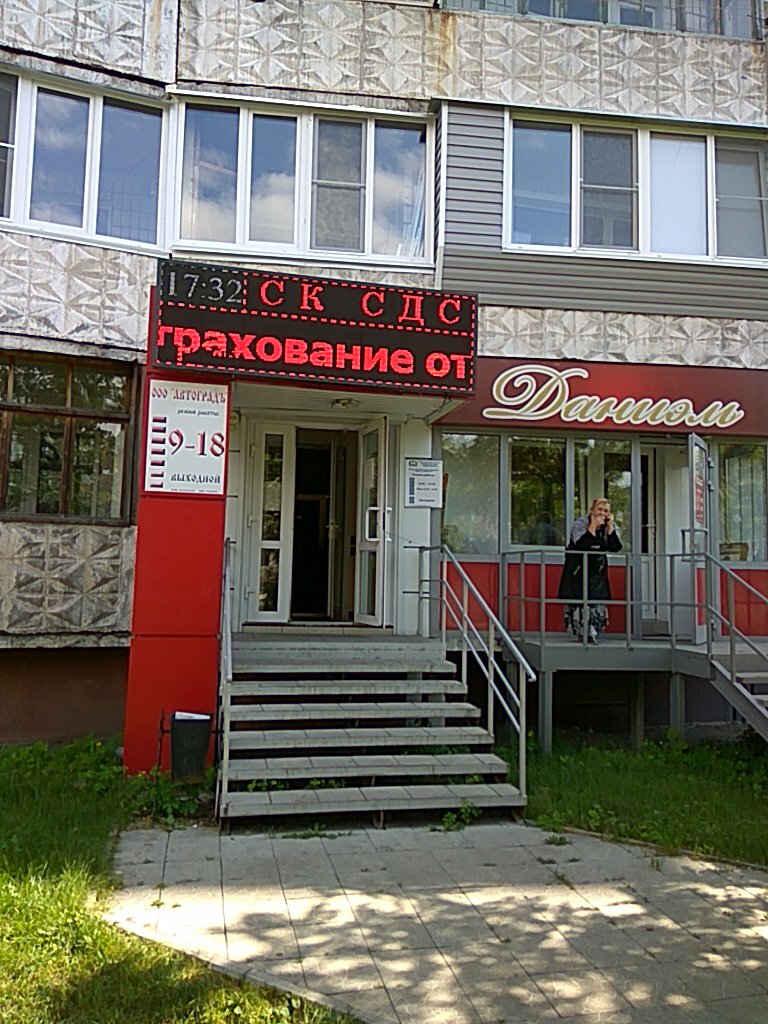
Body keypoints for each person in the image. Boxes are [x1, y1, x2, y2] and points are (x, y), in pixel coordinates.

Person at [557, 497, 622, 644]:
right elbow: (582, 544)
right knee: (579, 601)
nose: (602, 514)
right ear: (592, 511)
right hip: (578, 569)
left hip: (597, 570)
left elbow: (615, 547)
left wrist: (610, 529)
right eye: (599, 510)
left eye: (606, 511)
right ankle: (580, 630)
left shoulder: (608, 526)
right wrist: (593, 526)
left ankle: (594, 629)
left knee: (596, 601)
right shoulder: (580, 524)